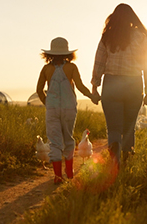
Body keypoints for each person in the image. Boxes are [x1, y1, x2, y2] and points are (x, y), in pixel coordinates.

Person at [91, 3, 147, 167]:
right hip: (134, 83)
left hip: (112, 83)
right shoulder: (142, 37)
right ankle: (126, 158)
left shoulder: (108, 37)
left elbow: (99, 63)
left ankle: (115, 158)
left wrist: (94, 87)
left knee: (113, 127)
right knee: (129, 126)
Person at [37, 37, 100, 184]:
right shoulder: (71, 68)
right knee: (68, 139)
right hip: (69, 108)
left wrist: (47, 103)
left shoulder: (46, 69)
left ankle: (58, 176)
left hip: (52, 109)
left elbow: (39, 90)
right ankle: (70, 173)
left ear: (50, 54)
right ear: (67, 53)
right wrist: (92, 96)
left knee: (55, 142)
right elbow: (80, 86)